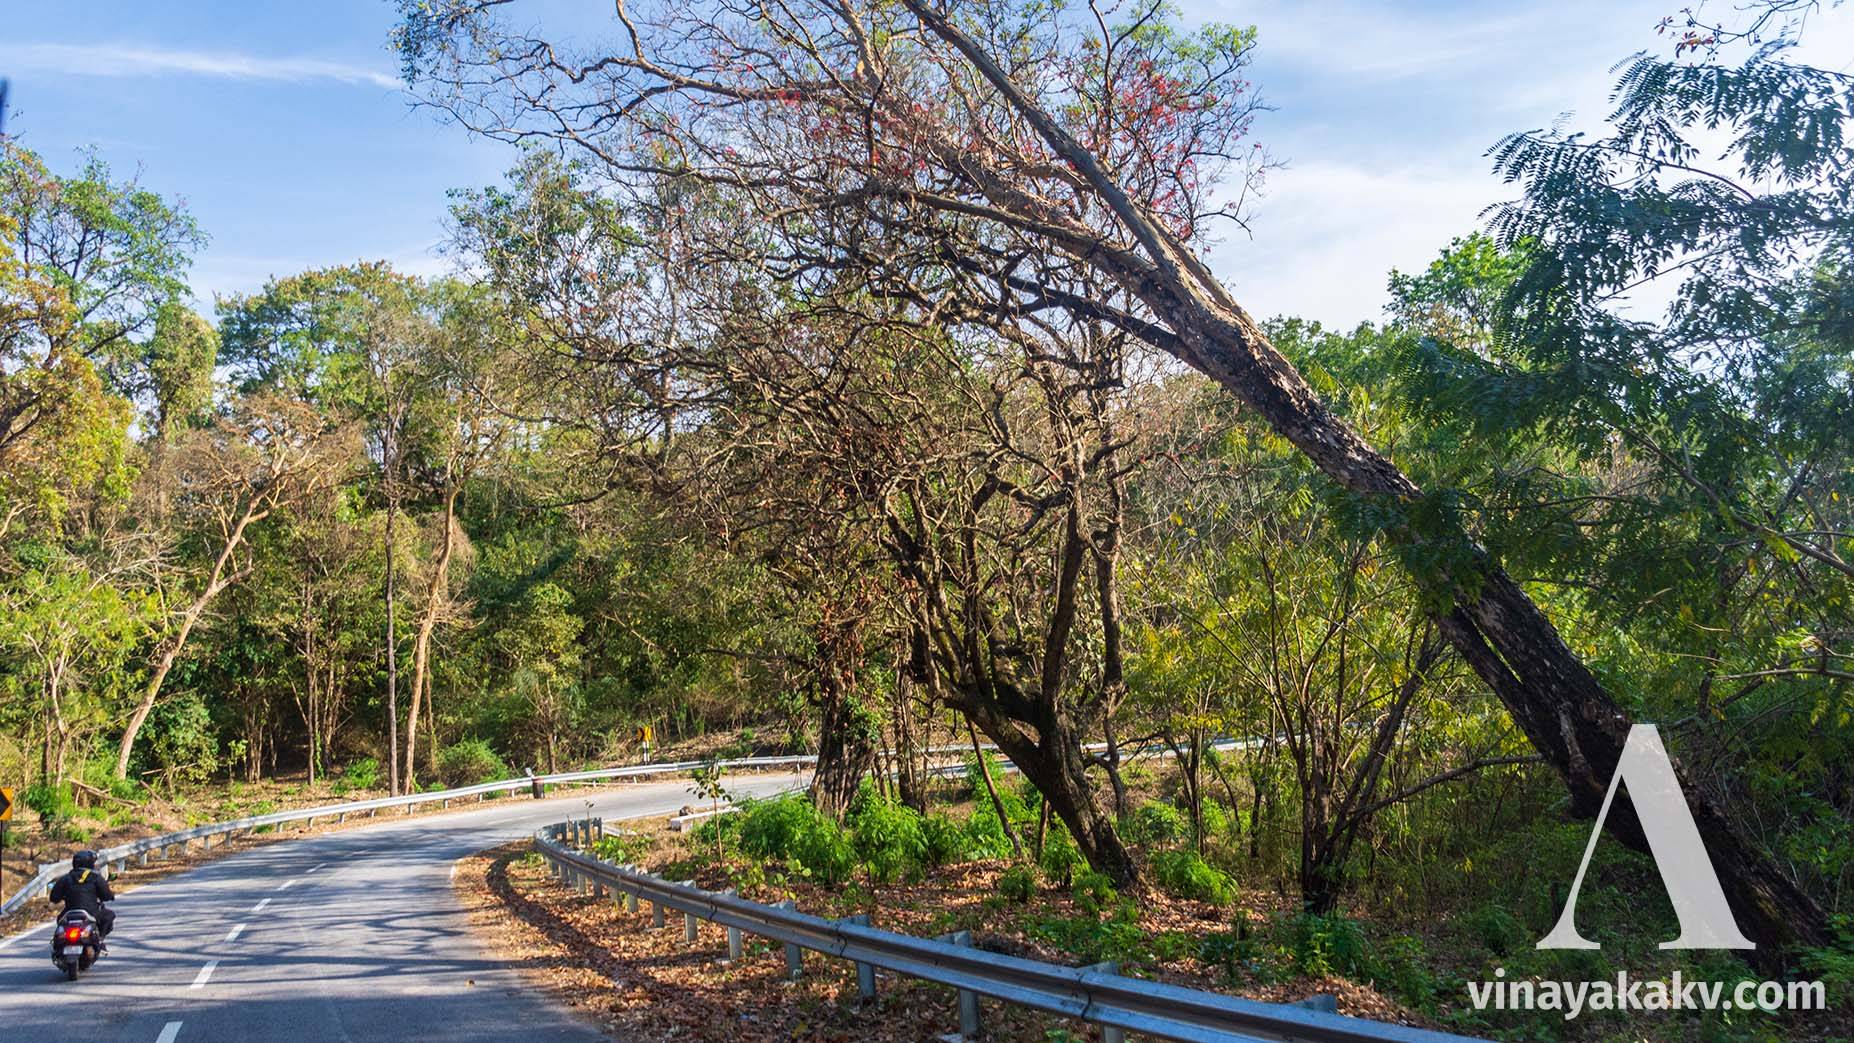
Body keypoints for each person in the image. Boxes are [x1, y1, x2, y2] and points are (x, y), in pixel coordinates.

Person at [49, 850, 115, 952]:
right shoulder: (95, 877)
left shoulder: (66, 878)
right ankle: (100, 940)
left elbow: (54, 897)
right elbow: (106, 895)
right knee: (109, 916)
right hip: (91, 912)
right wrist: (110, 896)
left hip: (69, 912)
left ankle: (58, 945)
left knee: (60, 921)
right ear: (90, 863)